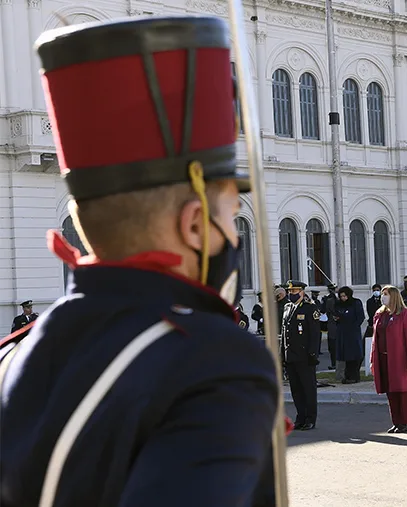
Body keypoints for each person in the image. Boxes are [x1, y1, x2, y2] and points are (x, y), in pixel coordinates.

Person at [0, 16, 280, 505]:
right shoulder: (212, 361)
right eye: (233, 215)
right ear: (195, 224)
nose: (234, 234)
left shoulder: (10, 356)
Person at [371, 285, 407, 433]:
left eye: (386, 294)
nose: (383, 296)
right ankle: (395, 421)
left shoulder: (403, 313)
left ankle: (403, 422)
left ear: (394, 296)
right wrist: (373, 360)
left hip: (399, 358)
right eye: (383, 293)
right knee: (390, 390)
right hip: (383, 357)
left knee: (401, 391)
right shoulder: (380, 314)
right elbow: (374, 338)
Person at [282, 281, 321, 430]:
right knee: (296, 390)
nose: (292, 294)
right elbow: (284, 333)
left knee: (308, 389)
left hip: (305, 356)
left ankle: (310, 418)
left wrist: (312, 354)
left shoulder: (310, 308)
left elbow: (314, 334)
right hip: (290, 356)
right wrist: (282, 355)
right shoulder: (287, 308)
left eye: (295, 291)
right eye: (290, 291)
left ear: (302, 292)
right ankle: (301, 417)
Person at [333, 286, 365, 384]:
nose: (343, 298)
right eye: (341, 296)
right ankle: (347, 376)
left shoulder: (356, 303)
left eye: (344, 296)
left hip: (353, 333)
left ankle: (354, 376)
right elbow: (336, 315)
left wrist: (353, 326)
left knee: (354, 355)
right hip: (342, 332)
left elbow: (360, 317)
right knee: (345, 356)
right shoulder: (339, 304)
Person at [323, 284, 338, 369]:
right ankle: (334, 364)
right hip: (332, 326)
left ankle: (335, 364)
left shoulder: (335, 300)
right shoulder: (328, 300)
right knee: (332, 347)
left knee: (334, 347)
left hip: (335, 327)